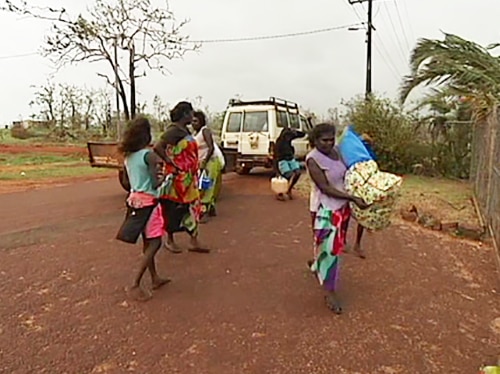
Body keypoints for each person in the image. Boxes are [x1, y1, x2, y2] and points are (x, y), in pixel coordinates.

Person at [306, 123, 369, 314]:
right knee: (331, 251)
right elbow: (325, 188)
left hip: (342, 207)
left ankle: (318, 262)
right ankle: (329, 292)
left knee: (335, 246)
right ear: (314, 141)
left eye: (331, 139)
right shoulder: (312, 160)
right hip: (325, 209)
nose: (328, 143)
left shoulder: (337, 151)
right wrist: (352, 198)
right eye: (323, 140)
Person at [115, 116, 171, 301]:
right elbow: (155, 184)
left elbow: (126, 181)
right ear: (145, 135)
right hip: (150, 203)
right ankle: (135, 283)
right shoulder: (149, 155)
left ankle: (154, 278)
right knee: (155, 242)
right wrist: (165, 179)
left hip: (134, 200)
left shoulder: (128, 157)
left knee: (148, 242)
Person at [337, 125, 402, 258]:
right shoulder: (355, 146)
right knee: (353, 211)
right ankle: (347, 242)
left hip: (360, 177)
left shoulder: (359, 148)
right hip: (356, 178)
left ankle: (352, 243)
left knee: (360, 210)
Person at [154, 101, 210, 254]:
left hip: (188, 179)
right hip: (177, 179)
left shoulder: (184, 130)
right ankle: (170, 240)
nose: (193, 116)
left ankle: (194, 240)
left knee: (192, 208)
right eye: (191, 112)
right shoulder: (173, 131)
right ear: (185, 114)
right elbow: (158, 147)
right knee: (173, 209)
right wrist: (169, 162)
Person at [192, 110, 225, 223]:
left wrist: (205, 161)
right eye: (192, 121)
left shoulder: (204, 131)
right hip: (202, 162)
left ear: (201, 121)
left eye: (196, 121)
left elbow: (210, 147)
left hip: (210, 162)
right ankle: (211, 208)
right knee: (205, 184)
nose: (193, 123)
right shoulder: (195, 134)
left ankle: (204, 212)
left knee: (206, 186)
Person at [273, 127, 305, 201]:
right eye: (287, 136)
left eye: (290, 136)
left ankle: (289, 189)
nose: (289, 138)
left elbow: (302, 134)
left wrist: (294, 131)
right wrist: (277, 171)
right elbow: (275, 158)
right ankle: (280, 192)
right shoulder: (279, 143)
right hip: (282, 160)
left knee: (298, 173)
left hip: (290, 158)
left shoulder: (289, 138)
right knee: (287, 175)